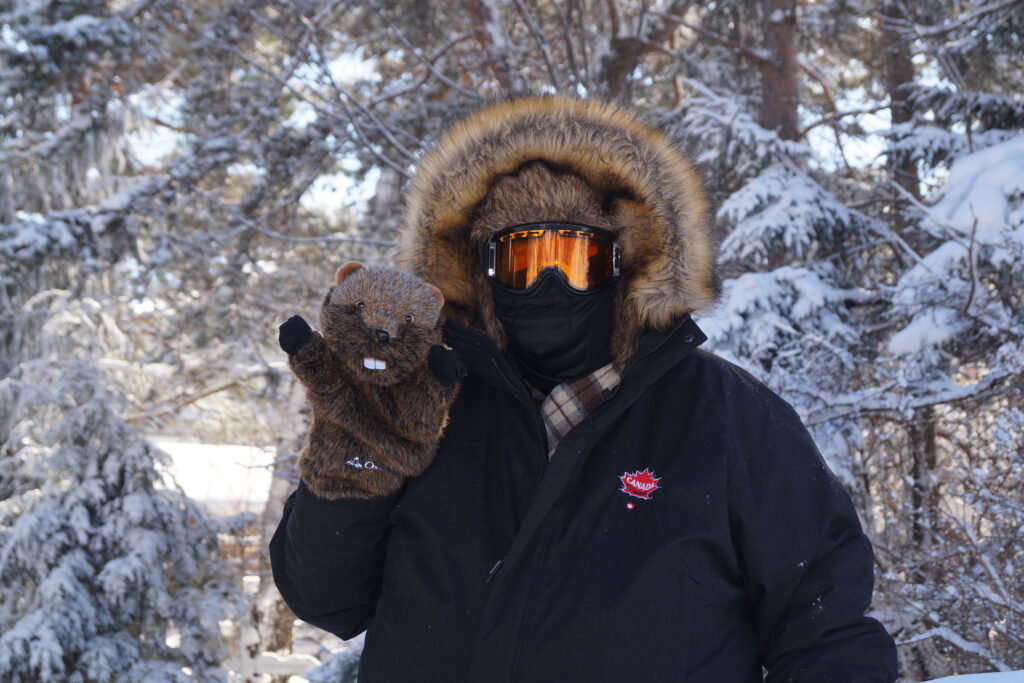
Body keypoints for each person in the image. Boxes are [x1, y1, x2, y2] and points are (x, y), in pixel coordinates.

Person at [270, 94, 899, 682]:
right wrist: (352, 466)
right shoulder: (426, 406)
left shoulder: (730, 416)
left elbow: (827, 628)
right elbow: (325, 599)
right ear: (479, 273)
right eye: (520, 260)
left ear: (626, 264)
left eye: (574, 261)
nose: (548, 284)